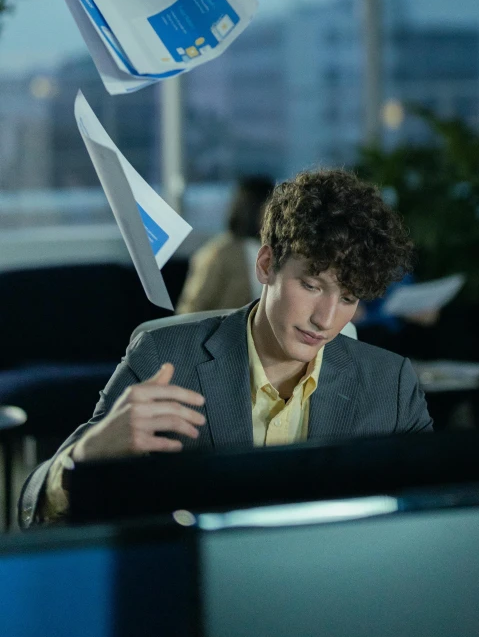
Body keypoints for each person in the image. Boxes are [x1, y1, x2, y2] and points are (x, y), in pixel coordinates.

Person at [19, 169, 432, 529]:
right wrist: (87, 455)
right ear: (266, 264)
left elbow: (429, 517)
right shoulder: (165, 358)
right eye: (311, 285)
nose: (325, 320)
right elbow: (31, 509)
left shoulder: (390, 384)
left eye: (348, 298)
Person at [176, 176, 274, 313]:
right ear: (254, 208)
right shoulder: (218, 253)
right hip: (223, 331)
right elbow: (189, 311)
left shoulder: (278, 250)